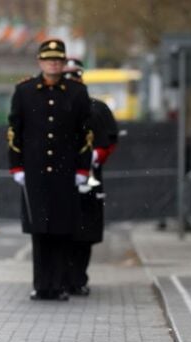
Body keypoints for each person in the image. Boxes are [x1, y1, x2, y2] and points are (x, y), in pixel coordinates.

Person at [6, 39, 92, 301]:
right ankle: (41, 285)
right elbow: (14, 131)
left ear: (64, 63)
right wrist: (17, 165)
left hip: (65, 172)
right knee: (39, 229)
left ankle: (59, 285)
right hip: (35, 171)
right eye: (49, 59)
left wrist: (82, 168)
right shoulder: (25, 91)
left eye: (58, 60)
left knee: (62, 229)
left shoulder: (77, 93)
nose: (53, 64)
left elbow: (85, 133)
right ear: (40, 62)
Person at [63, 57, 119, 296]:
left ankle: (78, 278)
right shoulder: (54, 107)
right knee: (61, 229)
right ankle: (61, 278)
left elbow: (110, 139)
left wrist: (96, 155)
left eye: (75, 76)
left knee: (85, 231)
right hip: (62, 177)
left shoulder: (96, 108)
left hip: (90, 177)